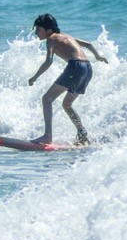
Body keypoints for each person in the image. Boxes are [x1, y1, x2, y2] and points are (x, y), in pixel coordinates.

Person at [27, 13, 108, 145]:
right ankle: (82, 134)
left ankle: (47, 136)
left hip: (75, 67)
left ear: (48, 30)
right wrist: (98, 57)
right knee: (67, 104)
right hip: (87, 68)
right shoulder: (67, 36)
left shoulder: (51, 39)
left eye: (38, 30)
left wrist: (34, 77)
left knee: (46, 99)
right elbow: (88, 44)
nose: (36, 33)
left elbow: (48, 62)